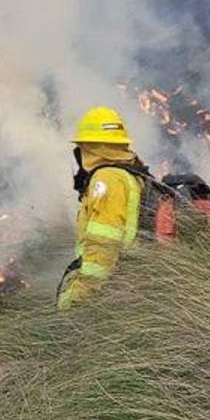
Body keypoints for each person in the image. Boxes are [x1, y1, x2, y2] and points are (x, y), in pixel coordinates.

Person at [58, 106, 148, 310]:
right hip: (132, 282)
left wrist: (78, 295)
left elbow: (103, 245)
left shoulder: (107, 179)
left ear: (90, 147)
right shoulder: (130, 174)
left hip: (114, 289)